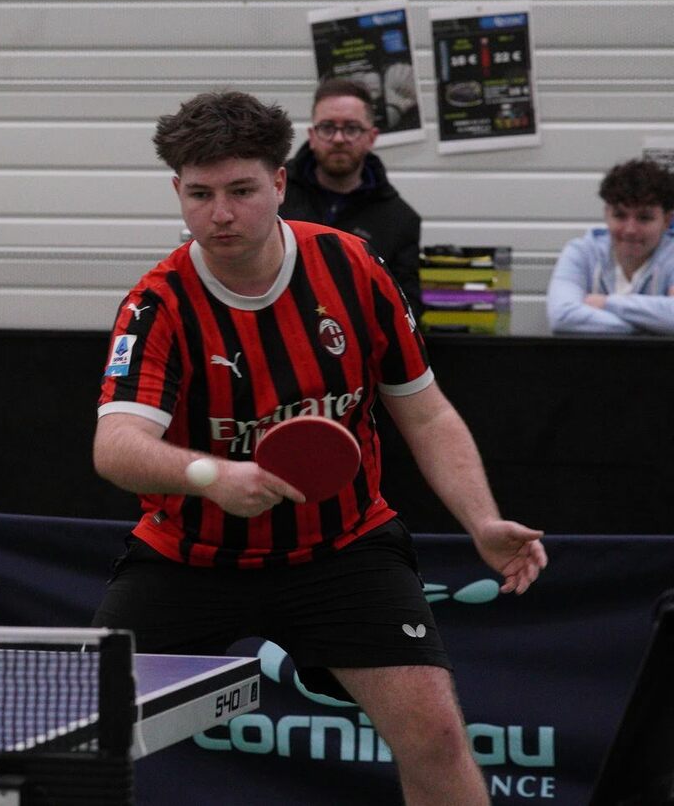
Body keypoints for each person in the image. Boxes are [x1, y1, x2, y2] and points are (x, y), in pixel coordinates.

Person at [93, 91, 546, 806]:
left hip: (342, 552)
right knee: (84, 735)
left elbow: (426, 413)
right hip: (190, 560)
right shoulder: (158, 305)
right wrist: (211, 475)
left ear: (279, 182)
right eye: (201, 194)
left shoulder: (352, 267)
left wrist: (482, 521)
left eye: (241, 191)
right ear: (177, 192)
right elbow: (115, 446)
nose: (221, 214)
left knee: (436, 736)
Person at [279, 78, 424, 318]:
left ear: (371, 137)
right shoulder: (274, 195)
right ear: (312, 135)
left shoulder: (400, 220)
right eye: (327, 127)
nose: (338, 139)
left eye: (352, 128)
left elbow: (407, 307)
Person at [546, 158, 674, 334]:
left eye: (644, 218)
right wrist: (651, 328)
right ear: (606, 214)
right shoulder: (581, 252)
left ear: (666, 221)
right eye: (620, 216)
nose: (630, 230)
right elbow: (562, 317)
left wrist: (607, 303)